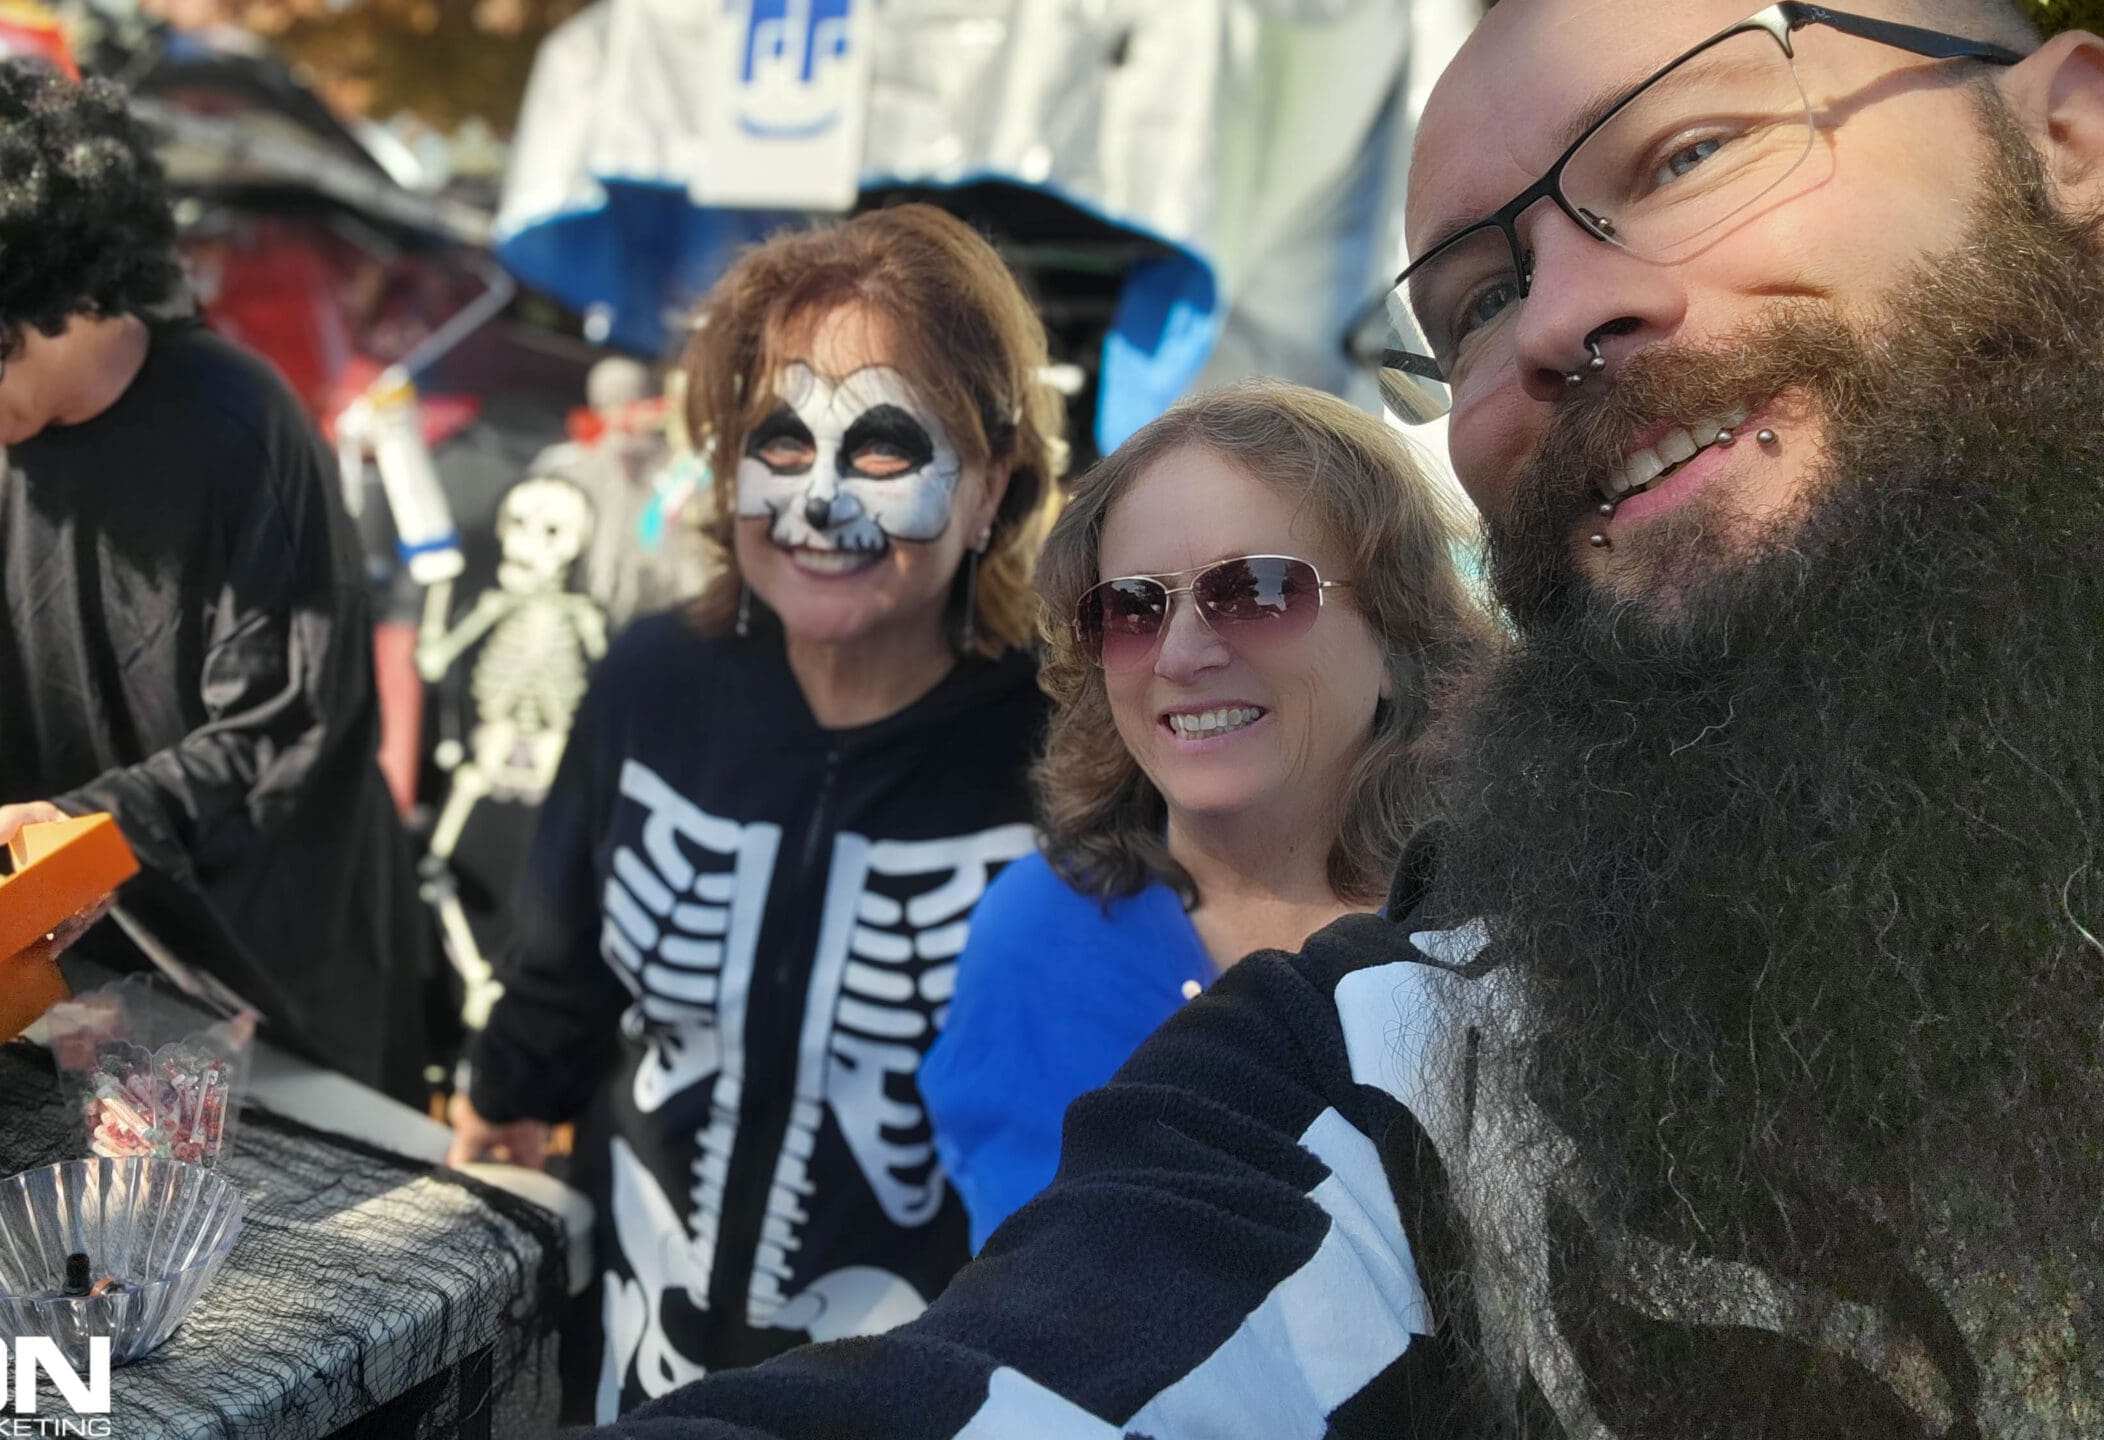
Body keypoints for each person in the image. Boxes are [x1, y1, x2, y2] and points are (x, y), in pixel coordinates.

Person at [572, 2, 2104, 1435]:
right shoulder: (1419, 1040)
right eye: (1482, 299)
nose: (1565, 315)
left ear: (2069, 133)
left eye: (1689, 152)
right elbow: (1066, 1345)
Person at [0, 48, 437, 1103]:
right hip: (80, 957)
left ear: (47, 289)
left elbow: (286, 720)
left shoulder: (239, 420)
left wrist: (105, 817)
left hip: (272, 958)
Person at [444, 204, 1062, 1416]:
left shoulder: (1068, 745)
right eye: (779, 440)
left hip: (927, 1391)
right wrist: (501, 1099)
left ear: (991, 485)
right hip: (633, 1365)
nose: (817, 503)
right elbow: (559, 966)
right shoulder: (650, 684)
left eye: (882, 448)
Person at [919, 382, 1491, 1251]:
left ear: (1394, 635)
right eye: (1132, 608)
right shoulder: (1040, 936)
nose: (1181, 655)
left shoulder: (1507, 932)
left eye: (1257, 591)